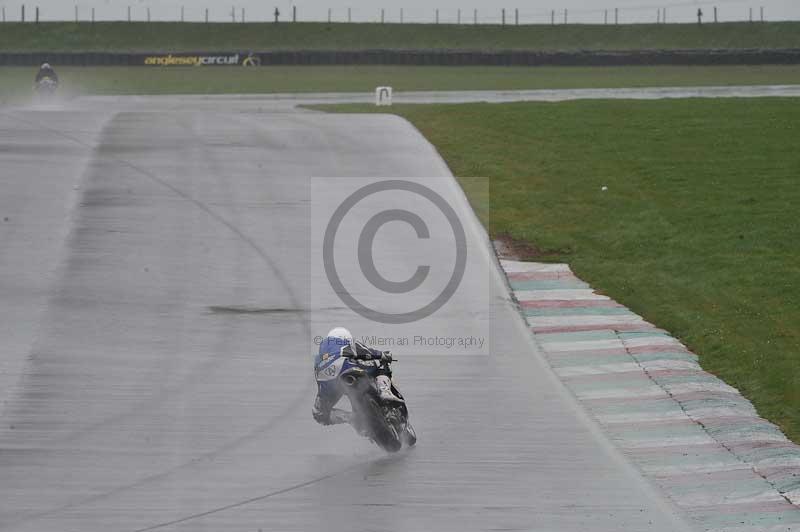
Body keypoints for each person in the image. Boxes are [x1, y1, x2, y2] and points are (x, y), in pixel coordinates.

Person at [312, 327, 403, 426]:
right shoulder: (344, 342)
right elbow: (366, 351)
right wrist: (382, 355)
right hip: (344, 367)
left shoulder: (322, 354)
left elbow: (319, 380)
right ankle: (385, 391)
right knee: (379, 366)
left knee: (319, 413)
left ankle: (351, 419)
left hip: (326, 379)